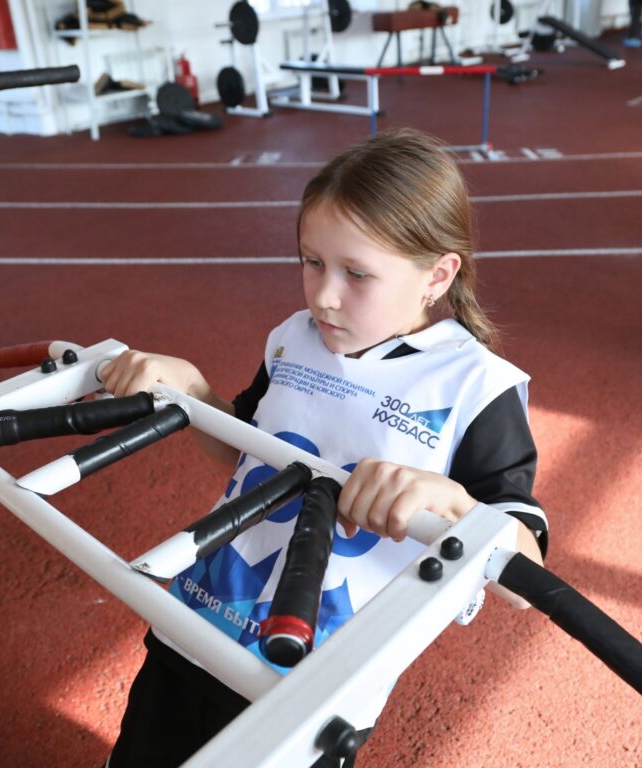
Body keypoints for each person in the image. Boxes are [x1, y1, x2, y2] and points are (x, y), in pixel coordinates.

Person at [100, 128, 548, 768]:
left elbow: (527, 577)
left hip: (309, 684)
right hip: (196, 625)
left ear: (437, 274)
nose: (323, 295)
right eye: (312, 262)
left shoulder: (476, 389)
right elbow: (244, 450)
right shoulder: (294, 337)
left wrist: (453, 502)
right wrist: (191, 391)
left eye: (356, 273)